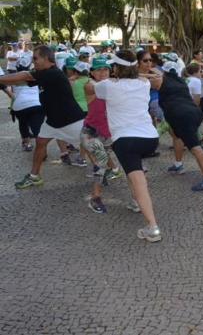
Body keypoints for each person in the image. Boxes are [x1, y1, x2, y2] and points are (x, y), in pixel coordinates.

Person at [94, 50, 161, 242]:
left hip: (126, 140)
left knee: (139, 181)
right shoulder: (144, 82)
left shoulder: (107, 85)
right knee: (134, 171)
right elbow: (152, 77)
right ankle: (135, 202)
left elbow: (94, 87)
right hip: (150, 138)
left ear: (116, 68)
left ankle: (152, 227)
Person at [0, 45, 87, 189]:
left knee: (91, 146)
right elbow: (19, 80)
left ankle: (111, 168)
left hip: (71, 120)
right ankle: (34, 176)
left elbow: (25, 75)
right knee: (40, 142)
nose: (33, 61)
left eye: (35, 58)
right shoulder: (44, 73)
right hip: (53, 121)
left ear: (46, 58)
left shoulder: (53, 73)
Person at [150, 61, 203, 192]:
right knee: (177, 136)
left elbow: (145, 81)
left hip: (182, 115)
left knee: (195, 148)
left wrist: (151, 72)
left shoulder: (160, 81)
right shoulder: (182, 81)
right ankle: (178, 165)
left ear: (164, 71)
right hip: (193, 112)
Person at [81, 57, 123, 213]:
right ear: (92, 72)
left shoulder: (113, 83)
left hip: (109, 133)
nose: (102, 72)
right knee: (102, 160)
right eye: (98, 69)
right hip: (90, 132)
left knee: (109, 160)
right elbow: (92, 87)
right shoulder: (90, 85)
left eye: (105, 69)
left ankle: (135, 198)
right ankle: (95, 198)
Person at [10, 56, 45, 152]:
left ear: (17, 67)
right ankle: (42, 149)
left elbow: (14, 94)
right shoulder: (35, 75)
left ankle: (27, 143)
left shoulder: (13, 78)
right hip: (36, 104)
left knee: (23, 123)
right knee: (37, 127)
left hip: (20, 106)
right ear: (29, 66)